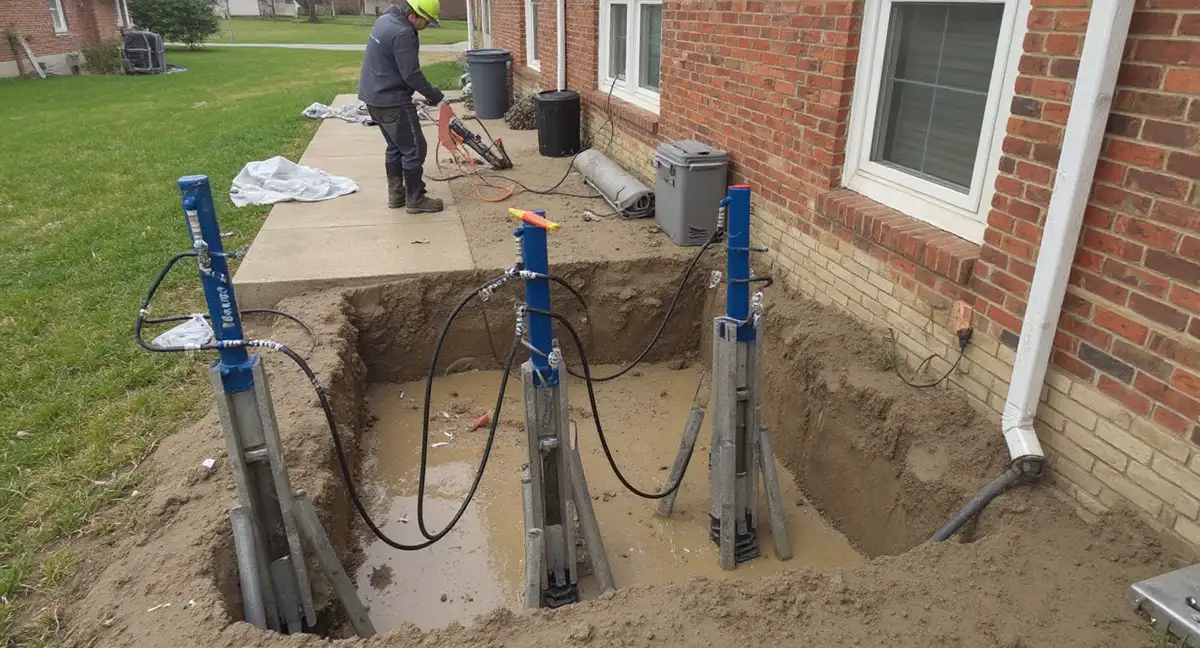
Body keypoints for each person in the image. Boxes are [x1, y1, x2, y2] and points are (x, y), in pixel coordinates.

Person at [358, 0, 446, 213]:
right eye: (427, 21)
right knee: (415, 148)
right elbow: (411, 75)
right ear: (415, 15)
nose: (427, 26)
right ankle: (415, 199)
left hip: (372, 96)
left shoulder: (385, 20)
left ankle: (396, 194)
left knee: (396, 146)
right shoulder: (403, 33)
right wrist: (437, 96)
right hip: (391, 101)